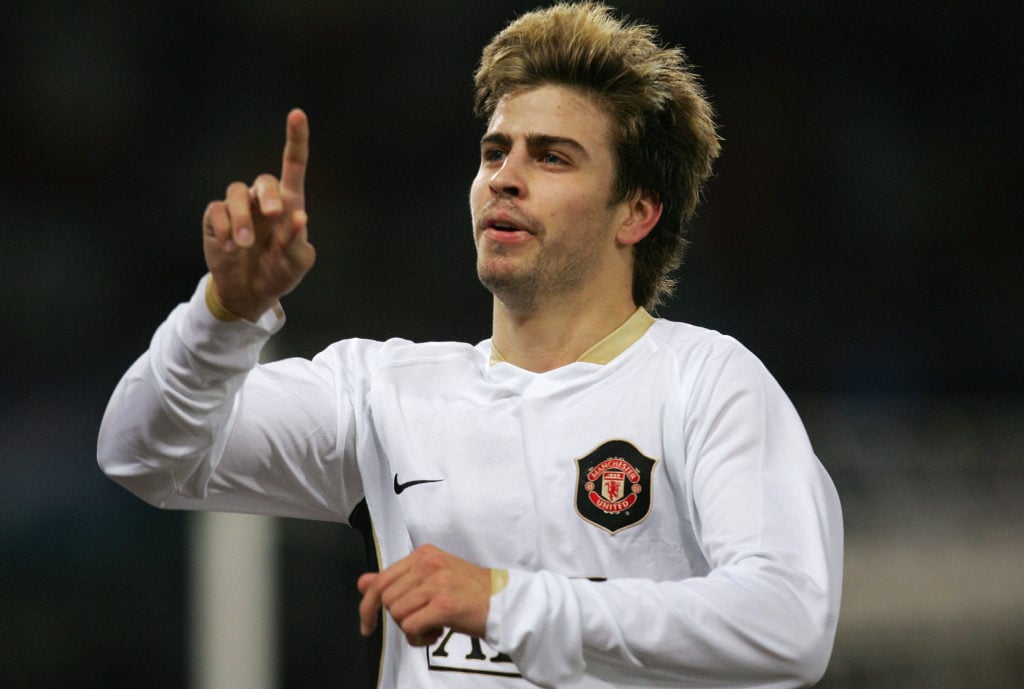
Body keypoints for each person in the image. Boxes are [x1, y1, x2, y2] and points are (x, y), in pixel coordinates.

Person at [98, 3, 843, 688]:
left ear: (637, 212)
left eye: (552, 157)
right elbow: (141, 456)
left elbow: (788, 622)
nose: (504, 179)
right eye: (495, 152)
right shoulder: (381, 392)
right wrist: (224, 313)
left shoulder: (706, 381)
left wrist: (506, 600)